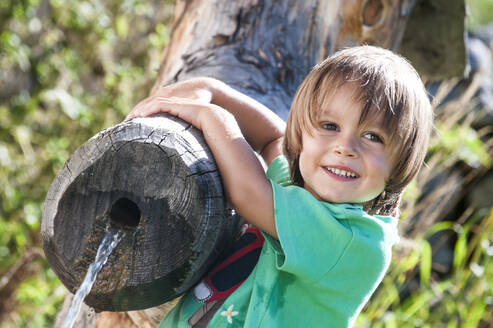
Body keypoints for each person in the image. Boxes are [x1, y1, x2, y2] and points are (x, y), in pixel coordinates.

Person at [126, 45, 433, 327]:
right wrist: (213, 91)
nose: (345, 147)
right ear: (301, 136)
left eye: (373, 137)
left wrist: (213, 117)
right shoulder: (299, 188)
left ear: (400, 163)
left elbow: (249, 194)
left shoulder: (353, 242)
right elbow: (274, 138)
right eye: (330, 126)